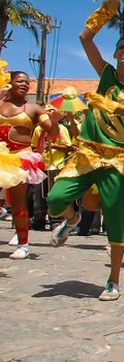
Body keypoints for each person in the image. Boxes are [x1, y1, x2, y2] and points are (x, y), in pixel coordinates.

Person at [48, 0, 124, 300]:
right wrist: (110, 4)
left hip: (118, 158)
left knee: (117, 221)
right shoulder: (105, 72)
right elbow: (84, 38)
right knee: (55, 197)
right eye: (121, 46)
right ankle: (71, 217)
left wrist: (107, 105)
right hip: (89, 152)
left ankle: (113, 279)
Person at [0, 71, 59, 258]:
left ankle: (23, 244)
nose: (24, 84)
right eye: (20, 81)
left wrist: (55, 121)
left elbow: (52, 131)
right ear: (10, 83)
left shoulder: (34, 109)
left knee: (18, 203)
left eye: (27, 82)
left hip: (20, 157)